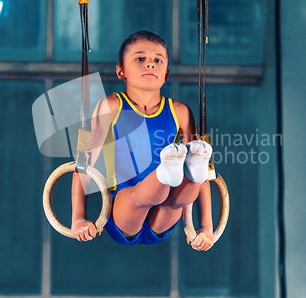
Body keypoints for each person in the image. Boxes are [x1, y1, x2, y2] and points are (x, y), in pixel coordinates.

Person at [71, 30, 214, 251]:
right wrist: (78, 218)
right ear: (121, 71)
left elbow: (205, 177)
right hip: (121, 208)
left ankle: (170, 173)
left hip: (164, 214)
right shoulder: (109, 107)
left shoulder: (181, 113)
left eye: (158, 60)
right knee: (139, 196)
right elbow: (83, 164)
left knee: (186, 187)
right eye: (140, 58)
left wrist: (207, 227)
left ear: (166, 74)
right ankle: (166, 173)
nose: (150, 65)